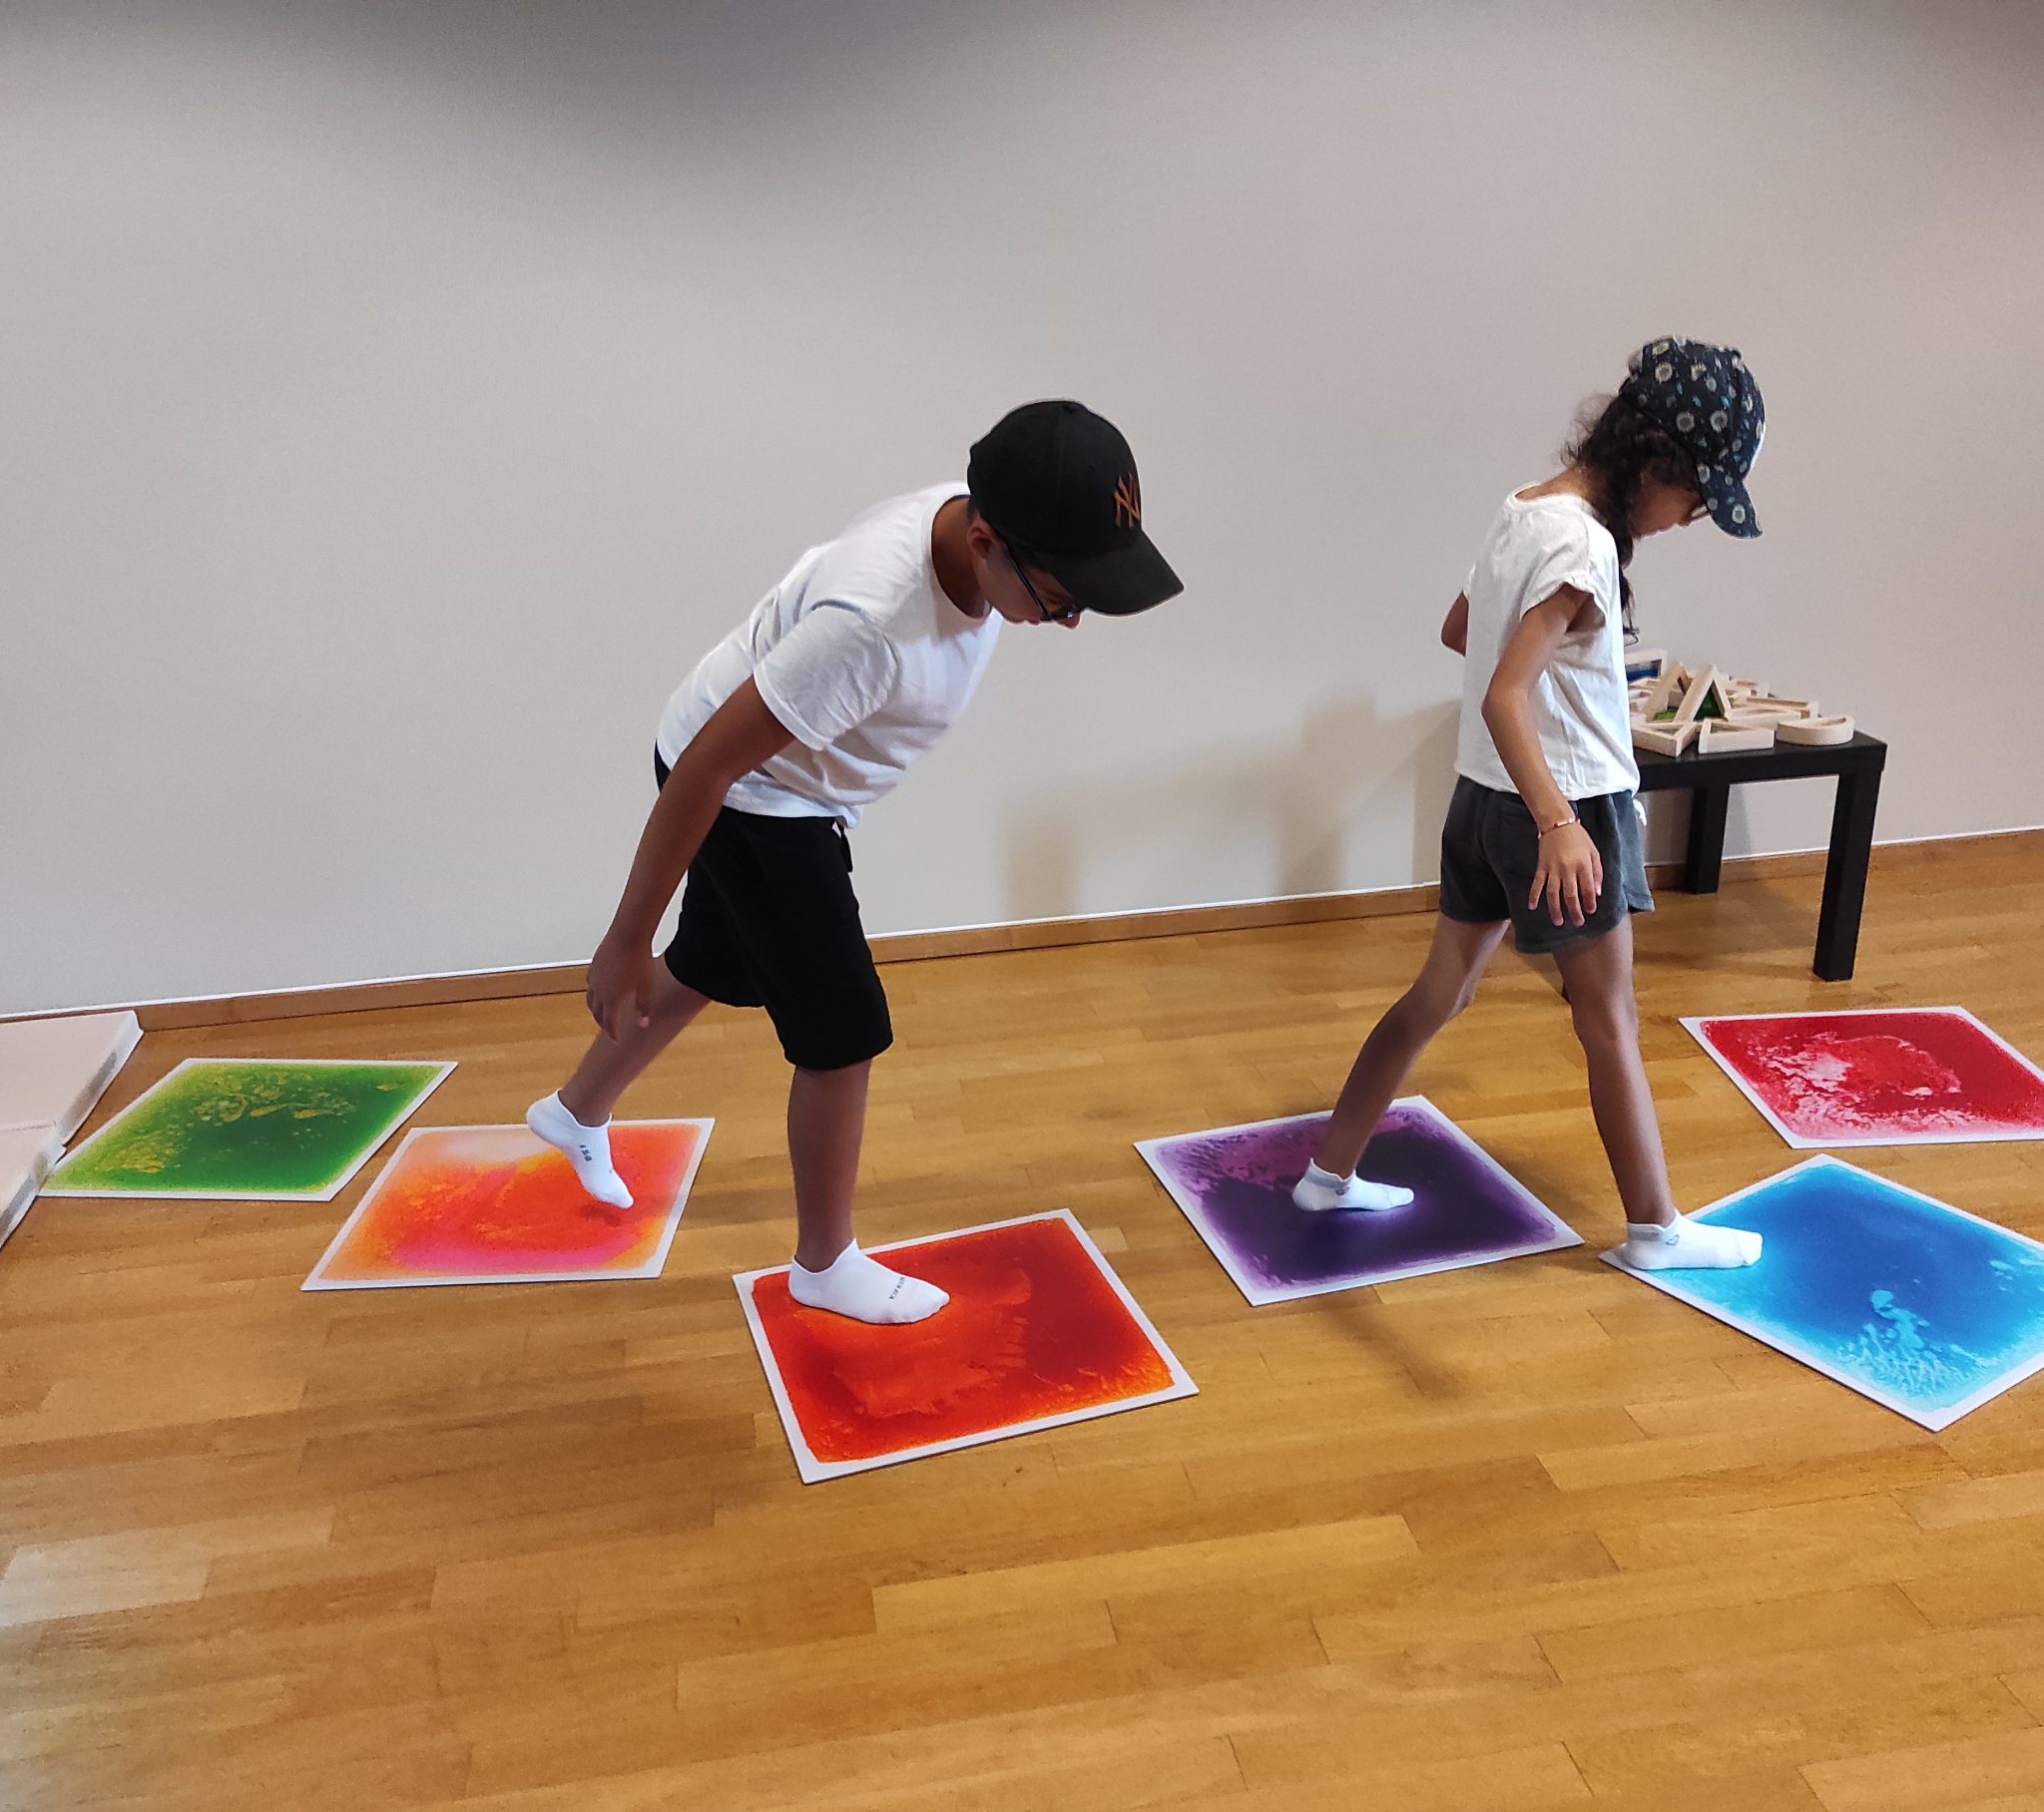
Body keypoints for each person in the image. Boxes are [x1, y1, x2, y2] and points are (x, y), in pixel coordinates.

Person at [528, 401, 1182, 1321]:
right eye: (1064, 596)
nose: (1070, 621)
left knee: (715, 959)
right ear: (988, 539)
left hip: (769, 778)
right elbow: (708, 769)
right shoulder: (872, 627)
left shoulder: (970, 515)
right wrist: (622, 937)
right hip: (758, 800)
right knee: (842, 1036)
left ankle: (575, 1110)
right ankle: (824, 1264)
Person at [1292, 338, 1767, 1272]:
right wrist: (1557, 819)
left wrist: (1573, 693)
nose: (1688, 520)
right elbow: (1506, 691)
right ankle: (1656, 1231)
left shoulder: (1526, 510)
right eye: (1697, 500)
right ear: (1660, 463)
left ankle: (1329, 1172)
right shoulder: (1586, 544)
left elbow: (1461, 633)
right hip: (1561, 814)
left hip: (1480, 799)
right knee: (1609, 1019)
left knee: (1443, 992)